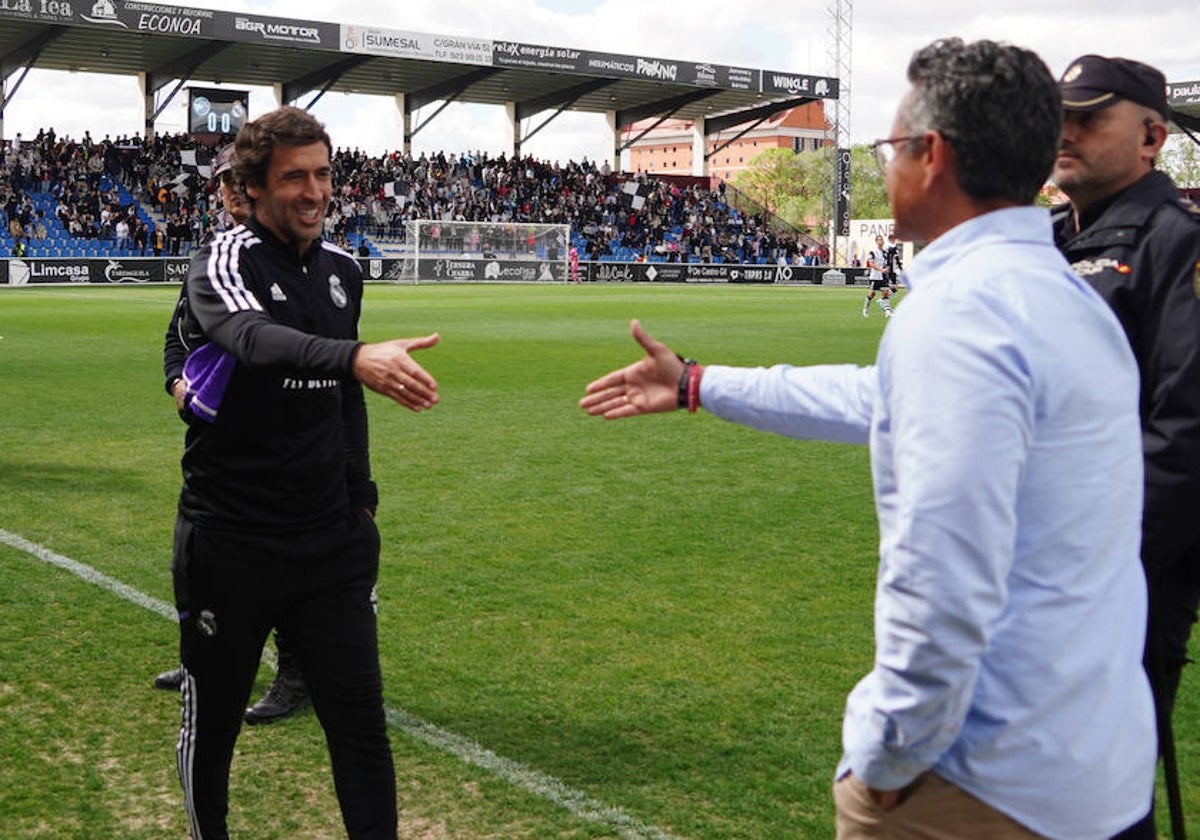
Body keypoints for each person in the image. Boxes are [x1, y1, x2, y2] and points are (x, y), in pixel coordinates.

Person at [580, 38, 1155, 839]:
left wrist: (884, 760)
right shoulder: (1064, 298)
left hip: (987, 790)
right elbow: (879, 397)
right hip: (1099, 773)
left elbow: (943, 586)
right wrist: (697, 383)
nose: (887, 165)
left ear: (933, 157)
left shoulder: (961, 317)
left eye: (890, 146)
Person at [172, 105, 441, 839]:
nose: (314, 191)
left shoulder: (343, 271)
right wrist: (355, 357)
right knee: (215, 726)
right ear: (252, 188)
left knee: (360, 726)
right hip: (232, 539)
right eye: (294, 177)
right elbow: (251, 339)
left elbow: (343, 401)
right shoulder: (221, 262)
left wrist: (363, 501)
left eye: (322, 174)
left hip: (330, 542)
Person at [1051, 54, 1200, 840]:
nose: (1065, 132)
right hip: (1032, 569)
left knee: (1098, 796)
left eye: (1088, 117)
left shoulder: (1178, 244)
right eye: (1060, 116)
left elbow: (1186, 433)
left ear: (1152, 136)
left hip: (1121, 578)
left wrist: (1101, 563)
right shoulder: (1041, 240)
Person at [155, 144, 311, 726]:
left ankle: (294, 676)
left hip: (278, 441)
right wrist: (176, 383)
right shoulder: (207, 258)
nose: (227, 191)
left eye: (236, 181)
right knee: (193, 561)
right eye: (221, 183)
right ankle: (197, 661)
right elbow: (175, 337)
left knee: (282, 565)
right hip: (211, 440)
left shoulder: (295, 262)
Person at [860, 234, 893, 318]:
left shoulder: (885, 253)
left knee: (885, 293)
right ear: (876, 241)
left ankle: (887, 311)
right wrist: (881, 270)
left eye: (882, 239)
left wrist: (887, 269)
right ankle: (865, 309)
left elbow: (887, 263)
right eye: (879, 239)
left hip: (883, 276)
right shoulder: (873, 252)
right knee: (872, 294)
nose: (881, 241)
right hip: (875, 276)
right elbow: (871, 264)